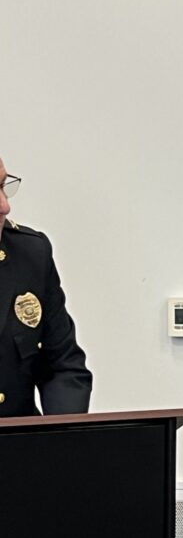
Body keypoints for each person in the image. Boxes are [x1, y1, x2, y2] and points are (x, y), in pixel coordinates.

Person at [0, 156, 91, 417]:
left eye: (3, 187)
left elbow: (62, 365)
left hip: (20, 440)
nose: (5, 206)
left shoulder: (30, 254)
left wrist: (62, 433)